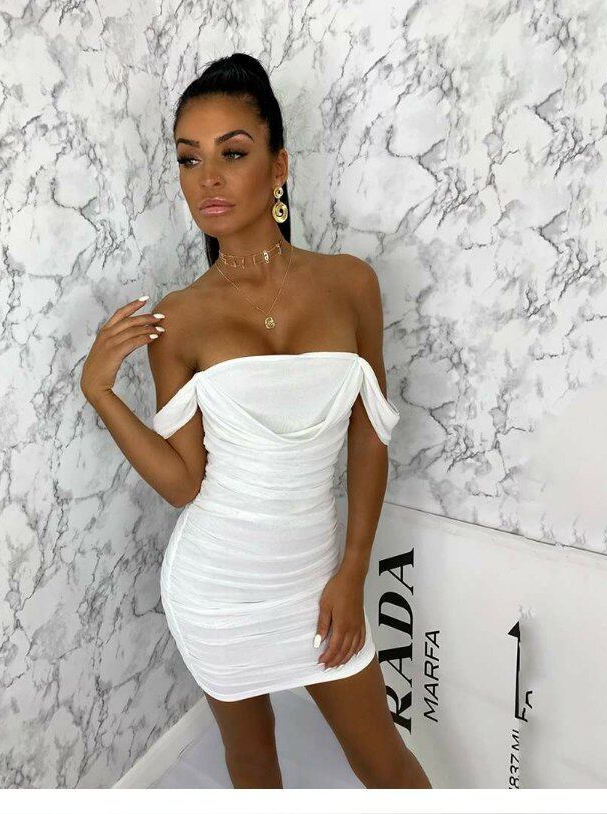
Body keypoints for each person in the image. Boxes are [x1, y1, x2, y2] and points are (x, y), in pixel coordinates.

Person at [80, 52, 431, 790]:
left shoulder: (352, 283)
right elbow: (184, 483)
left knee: (390, 770)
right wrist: (100, 391)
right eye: (188, 159)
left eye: (232, 153)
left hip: (318, 578)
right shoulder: (178, 318)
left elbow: (370, 438)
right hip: (217, 589)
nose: (206, 179)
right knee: (253, 766)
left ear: (279, 167)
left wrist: (352, 571)